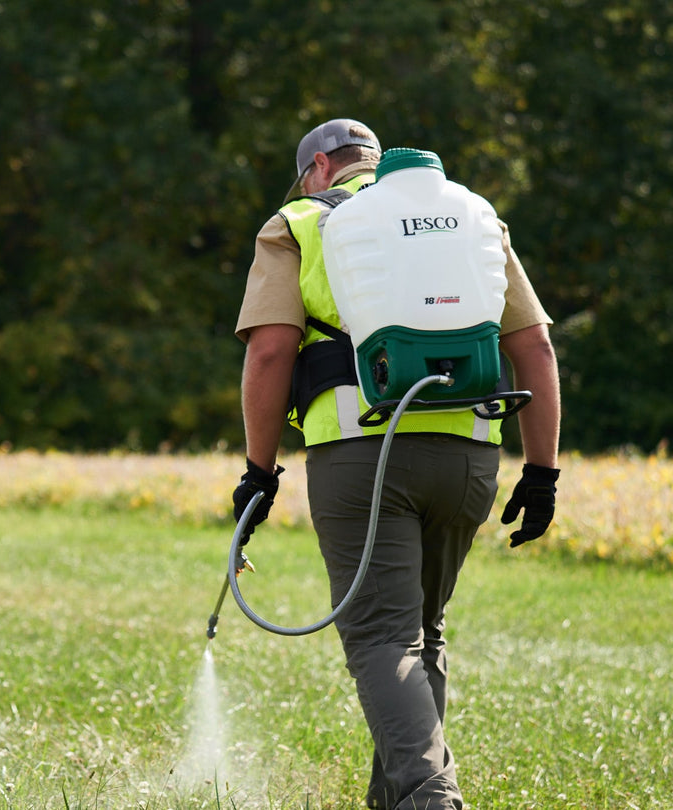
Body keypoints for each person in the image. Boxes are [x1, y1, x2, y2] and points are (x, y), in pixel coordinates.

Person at [231, 119, 561, 810]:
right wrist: (541, 473)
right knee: (421, 632)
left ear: (319, 167)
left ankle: (431, 799)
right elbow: (534, 347)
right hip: (473, 449)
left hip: (362, 450)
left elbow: (268, 354)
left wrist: (259, 473)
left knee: (383, 635)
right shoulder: (467, 214)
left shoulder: (299, 222)